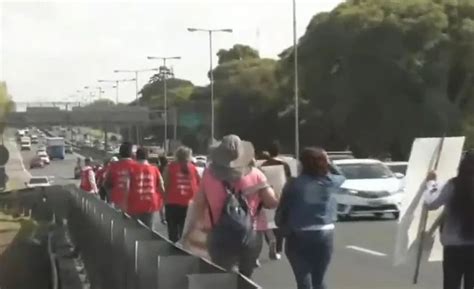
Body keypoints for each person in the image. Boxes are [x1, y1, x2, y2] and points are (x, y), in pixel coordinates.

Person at [183, 135, 279, 278]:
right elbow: (272, 202)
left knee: (223, 276)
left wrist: (193, 230)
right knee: (246, 277)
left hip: (218, 233)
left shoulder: (208, 175)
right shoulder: (256, 174)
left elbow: (199, 205)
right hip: (250, 233)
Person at [276, 147, 345, 289]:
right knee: (318, 279)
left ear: (302, 163)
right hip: (325, 233)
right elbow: (342, 176)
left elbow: (283, 208)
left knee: (303, 279)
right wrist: (328, 162)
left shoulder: (294, 184)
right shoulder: (330, 182)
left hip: (298, 233)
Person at [424, 152, 474, 289]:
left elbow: (431, 203)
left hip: (453, 248)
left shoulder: (453, 185)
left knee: (451, 285)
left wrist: (431, 183)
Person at [261, 141, 292, 260]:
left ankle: (271, 241)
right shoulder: (284, 165)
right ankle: (278, 248)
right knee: (280, 222)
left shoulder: (263, 165)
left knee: (267, 223)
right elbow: (289, 181)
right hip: (281, 196)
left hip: (267, 196)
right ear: (279, 151)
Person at [163, 146, 200, 242]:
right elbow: (199, 185)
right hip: (188, 204)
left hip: (172, 203)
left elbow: (165, 185)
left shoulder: (170, 167)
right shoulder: (193, 169)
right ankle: (182, 250)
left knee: (173, 232)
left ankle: (173, 249)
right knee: (185, 232)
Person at [126, 147, 165, 229]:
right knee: (148, 230)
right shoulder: (154, 169)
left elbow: (126, 187)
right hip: (150, 202)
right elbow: (162, 187)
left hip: (135, 202)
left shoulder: (131, 169)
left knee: (134, 229)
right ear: (147, 157)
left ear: (136, 156)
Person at [105, 142, 136, 210]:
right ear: (131, 153)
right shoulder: (137, 166)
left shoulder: (113, 166)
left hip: (117, 203)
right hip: (134, 203)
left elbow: (106, 184)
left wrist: (111, 198)